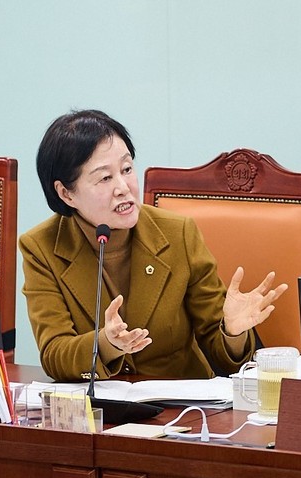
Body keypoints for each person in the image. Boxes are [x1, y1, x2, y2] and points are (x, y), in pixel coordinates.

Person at [20, 109, 286, 382]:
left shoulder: (178, 233)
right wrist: (106, 344)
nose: (123, 187)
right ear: (66, 193)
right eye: (105, 178)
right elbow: (54, 354)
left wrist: (232, 332)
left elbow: (219, 350)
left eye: (126, 169)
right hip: (99, 405)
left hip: (180, 401)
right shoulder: (40, 248)